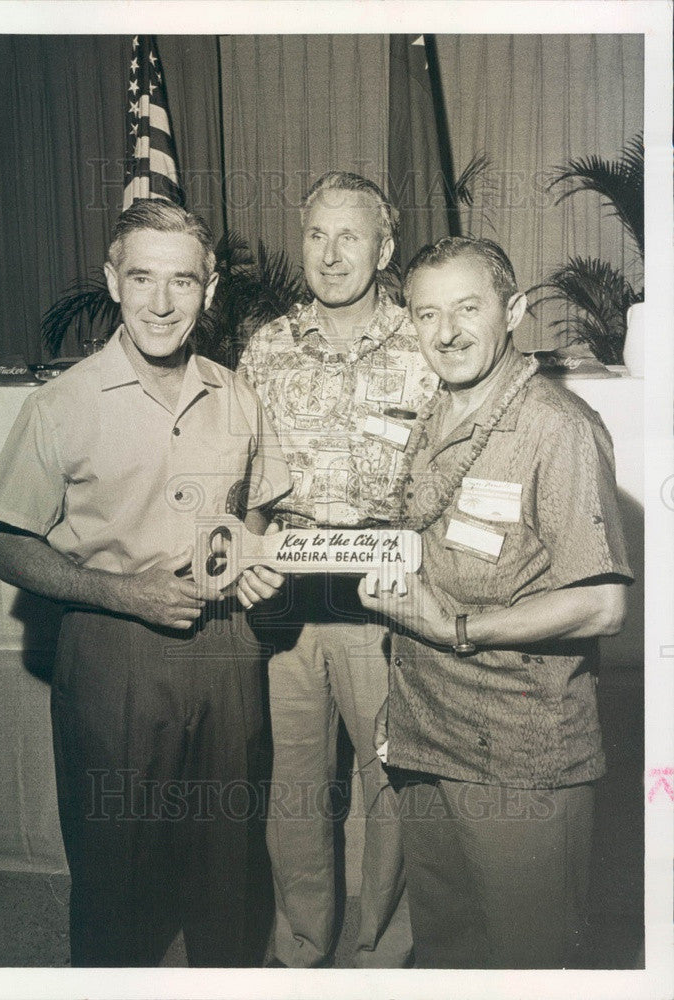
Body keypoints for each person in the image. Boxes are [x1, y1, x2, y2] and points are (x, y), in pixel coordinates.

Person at [0, 200, 291, 968]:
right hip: (111, 653)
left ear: (209, 289)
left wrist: (258, 559)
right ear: (113, 282)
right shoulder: (62, 404)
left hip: (224, 655)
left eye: (181, 281)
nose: (161, 302)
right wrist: (125, 593)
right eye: (142, 278)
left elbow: (259, 517)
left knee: (229, 868)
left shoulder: (238, 396)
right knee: (117, 873)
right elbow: (11, 552)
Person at [360, 236, 633, 969]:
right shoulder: (432, 417)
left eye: (466, 309)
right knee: (449, 952)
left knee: (527, 961)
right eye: (425, 314)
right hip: (427, 733)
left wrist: (455, 627)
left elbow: (602, 604)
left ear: (511, 311)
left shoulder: (557, 428)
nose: (445, 332)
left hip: (521, 755)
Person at [238, 171, 437, 968]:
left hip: (384, 601)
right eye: (316, 234)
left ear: (383, 247)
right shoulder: (266, 347)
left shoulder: (425, 342)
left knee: (390, 782)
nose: (329, 253)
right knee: (293, 789)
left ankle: (379, 953)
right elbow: (242, 476)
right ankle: (302, 948)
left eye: (349, 235)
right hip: (288, 604)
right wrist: (246, 553)